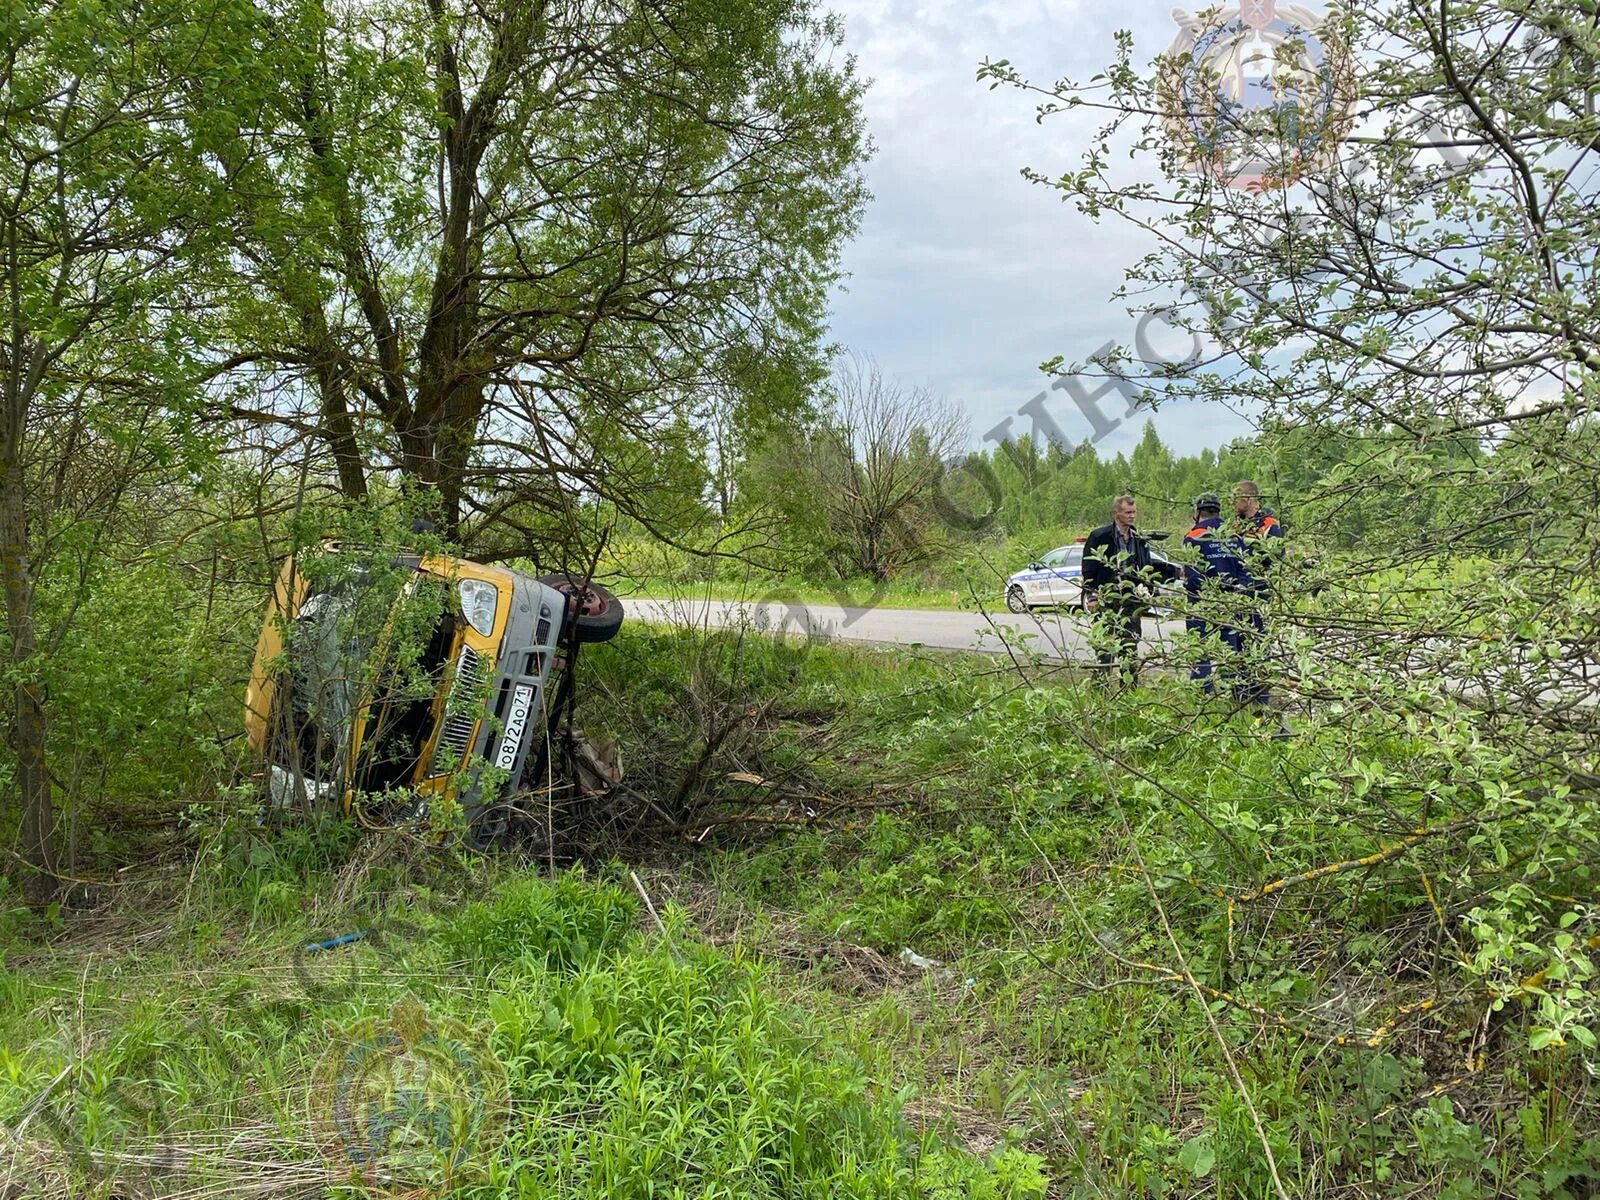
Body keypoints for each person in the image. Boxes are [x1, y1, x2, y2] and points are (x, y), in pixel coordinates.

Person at [1081, 495, 1178, 685]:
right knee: (1105, 646)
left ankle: (1129, 690)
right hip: (1107, 599)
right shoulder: (1100, 536)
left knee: (1130, 646)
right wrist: (1091, 595)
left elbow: (1148, 565)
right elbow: (1089, 568)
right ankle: (1101, 689)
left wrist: (1160, 580)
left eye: (1134, 512)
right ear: (1116, 513)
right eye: (1128, 512)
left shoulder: (1139, 539)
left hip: (1131, 601)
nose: (1132, 516)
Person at [1180, 492, 1254, 698]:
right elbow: (1247, 571)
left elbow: (1192, 576)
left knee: (1201, 653)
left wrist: (1207, 594)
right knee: (1229, 653)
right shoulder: (1235, 536)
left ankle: (1201, 700)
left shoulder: (1192, 537)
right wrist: (1236, 594)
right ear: (1219, 511)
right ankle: (1233, 699)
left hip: (1201, 606)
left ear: (1197, 512)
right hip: (1231, 605)